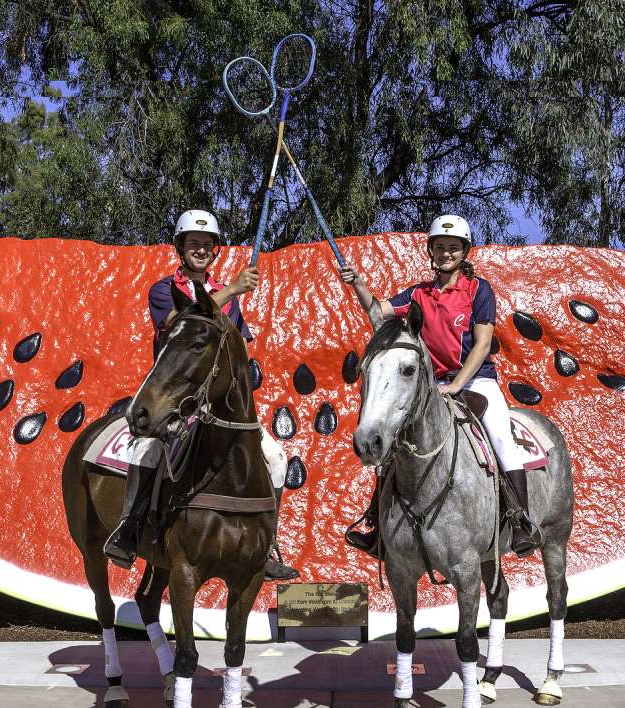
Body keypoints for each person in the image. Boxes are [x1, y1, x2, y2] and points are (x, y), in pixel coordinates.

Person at [103, 209, 300, 580]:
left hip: (218, 404)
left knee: (275, 456)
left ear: (215, 251)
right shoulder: (164, 290)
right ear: (181, 248)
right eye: (193, 244)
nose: (200, 250)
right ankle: (130, 529)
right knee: (147, 452)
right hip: (175, 398)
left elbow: (237, 351)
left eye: (207, 245)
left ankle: (266, 541)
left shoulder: (230, 299)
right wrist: (232, 290)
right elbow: (177, 323)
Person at [338, 213, 542, 557]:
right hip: (431, 386)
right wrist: (357, 283)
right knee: (393, 443)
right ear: (431, 251)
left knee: (500, 437)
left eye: (453, 247)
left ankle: (520, 522)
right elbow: (378, 312)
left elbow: (482, 345)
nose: (446, 253)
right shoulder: (419, 293)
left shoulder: (479, 290)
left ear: (464, 252)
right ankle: (375, 524)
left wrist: (458, 384)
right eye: (440, 247)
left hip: (476, 380)